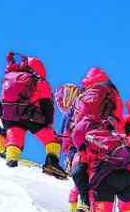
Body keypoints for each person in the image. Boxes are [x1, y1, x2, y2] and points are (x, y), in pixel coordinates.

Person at [0, 51, 66, 177]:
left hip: (12, 117)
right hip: (32, 116)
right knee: (51, 140)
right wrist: (48, 122)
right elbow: (46, 103)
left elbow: (1, 102)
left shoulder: (10, 78)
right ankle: (52, 164)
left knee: (15, 139)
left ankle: (11, 161)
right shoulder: (39, 81)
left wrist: (2, 118)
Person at [70, 67, 124, 211]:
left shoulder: (94, 91)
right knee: (97, 175)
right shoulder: (113, 93)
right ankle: (89, 205)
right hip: (106, 138)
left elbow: (83, 117)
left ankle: (83, 204)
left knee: (82, 172)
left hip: (89, 136)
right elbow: (119, 121)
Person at [73, 116, 130, 212]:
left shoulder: (84, 153)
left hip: (107, 181)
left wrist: (84, 202)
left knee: (100, 187)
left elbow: (79, 176)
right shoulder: (116, 137)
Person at [55, 83, 84, 212]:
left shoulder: (71, 111)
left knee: (79, 178)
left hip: (76, 148)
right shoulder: (88, 104)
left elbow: (65, 135)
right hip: (93, 146)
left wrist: (68, 156)